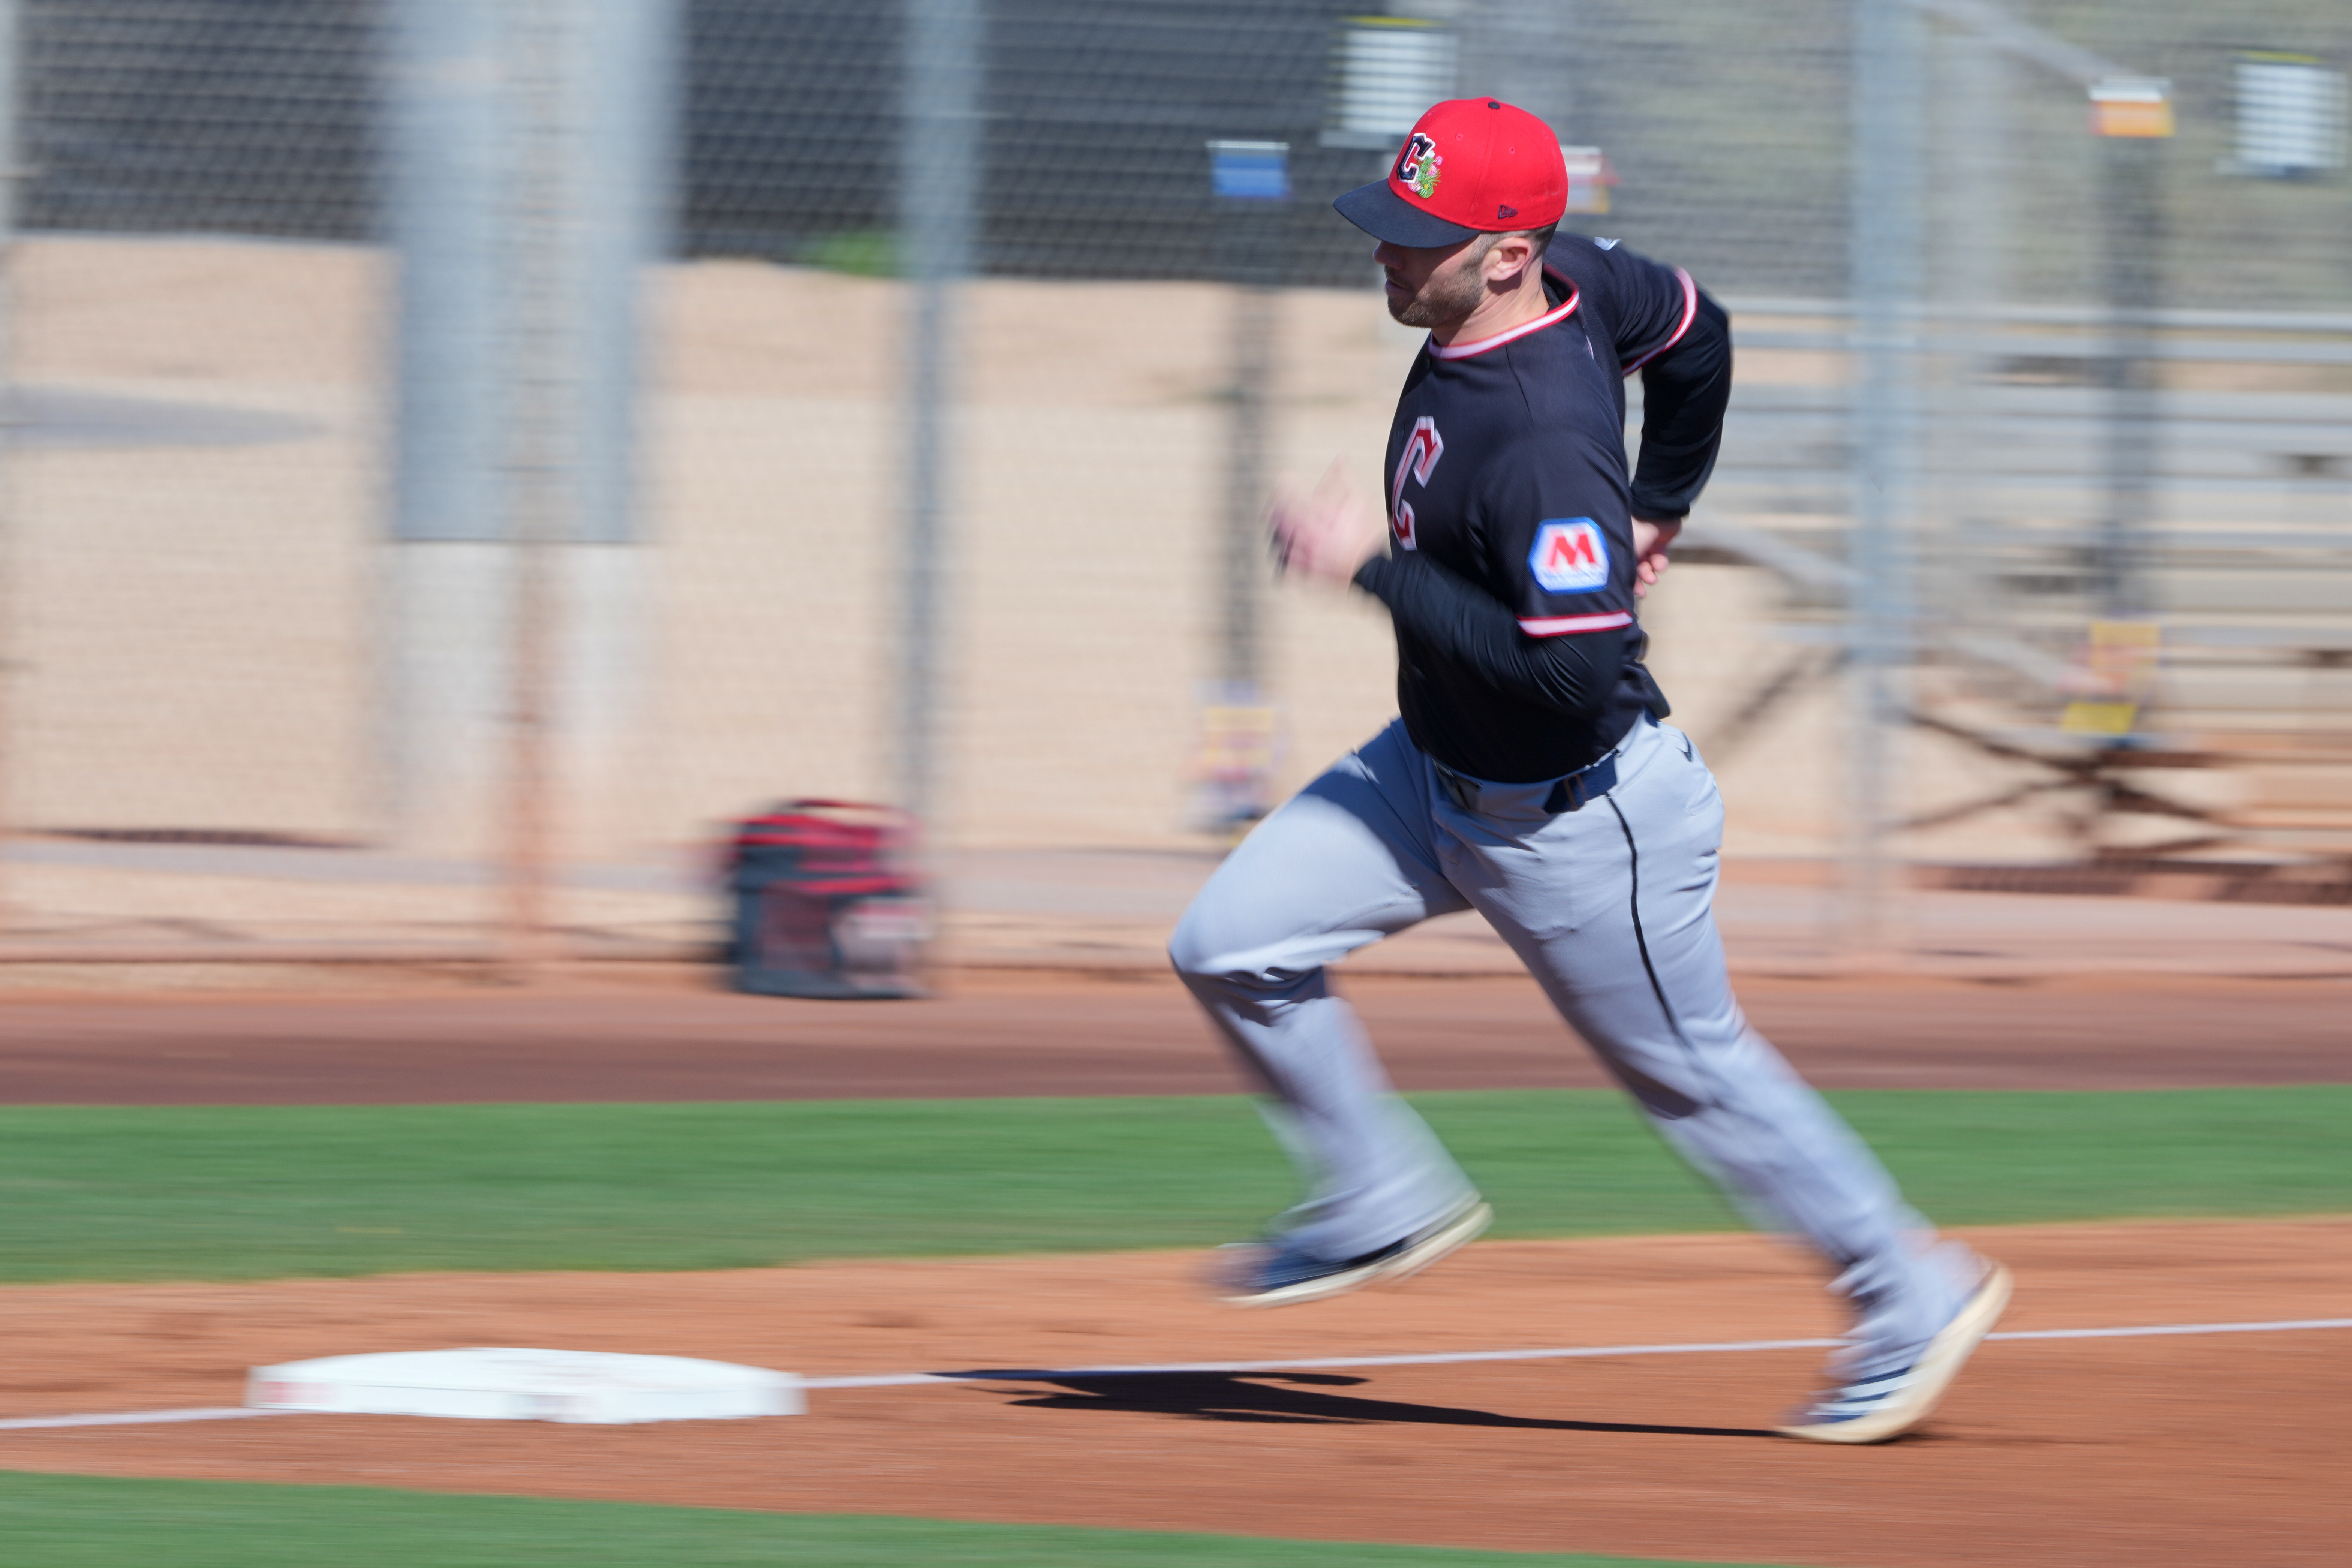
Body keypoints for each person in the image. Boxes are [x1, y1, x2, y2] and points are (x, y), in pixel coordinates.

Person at [1167, 97, 2009, 1444]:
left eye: (1419, 240)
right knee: (1228, 943)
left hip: (1579, 821)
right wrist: (1669, 496)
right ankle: (1377, 1197)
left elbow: (1567, 675)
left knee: (1695, 1077)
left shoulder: (1543, 441)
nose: (1387, 255)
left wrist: (1368, 569)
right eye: (1390, 224)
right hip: (1432, 774)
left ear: (1506, 251)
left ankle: (1906, 1285)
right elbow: (1698, 334)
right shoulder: (1575, 282)